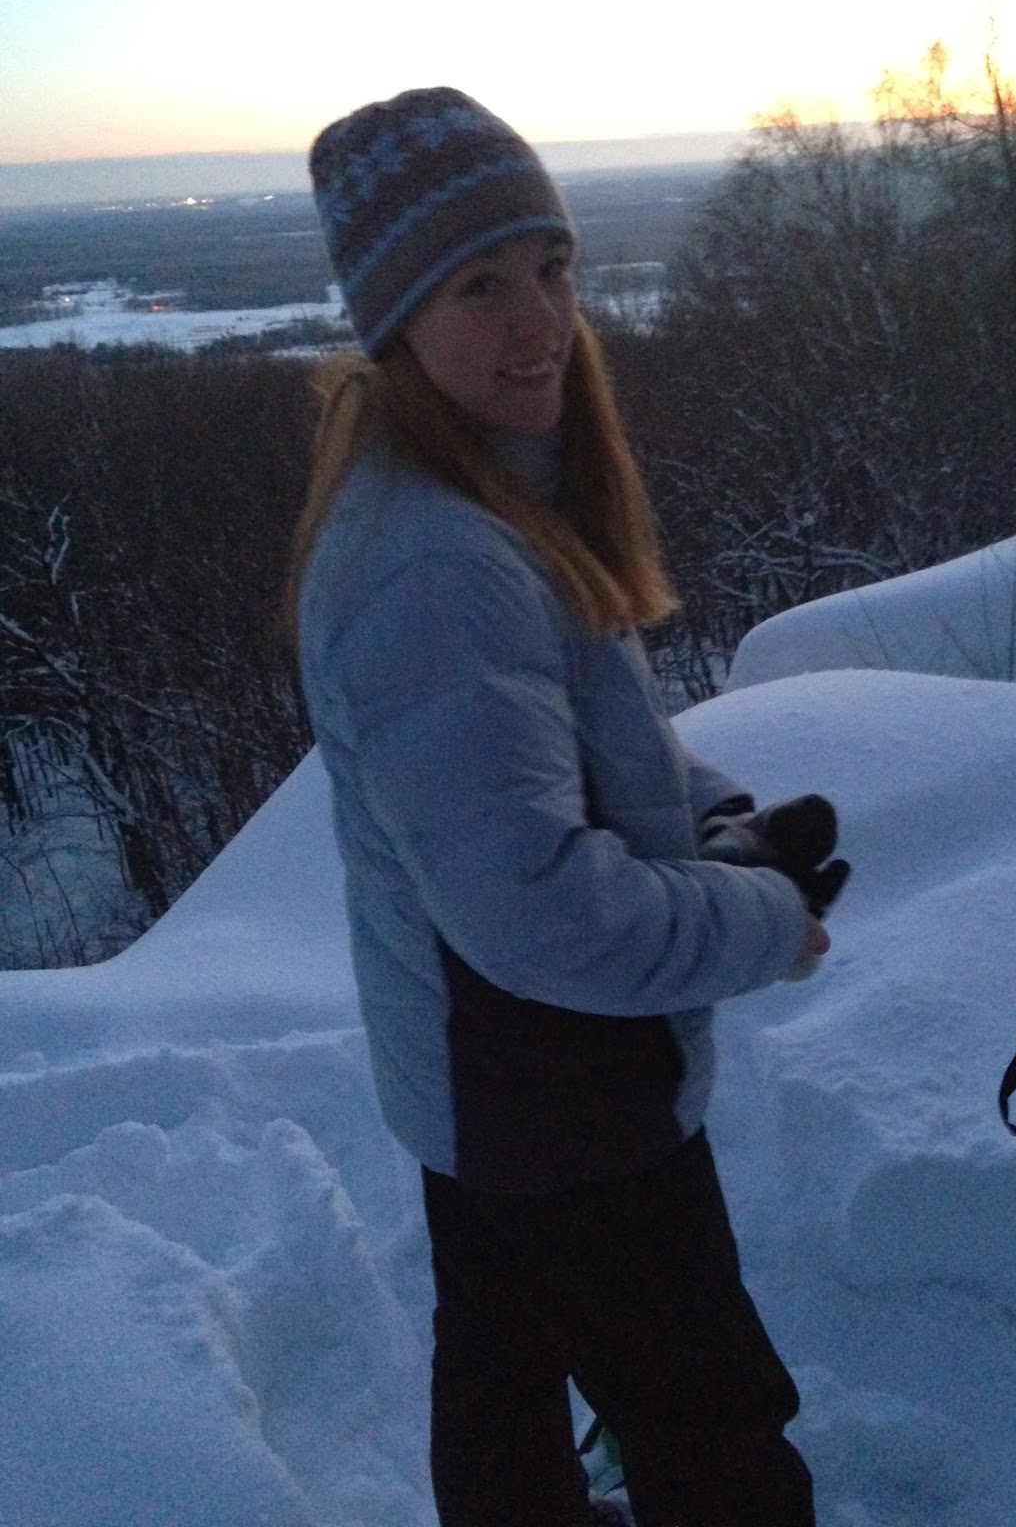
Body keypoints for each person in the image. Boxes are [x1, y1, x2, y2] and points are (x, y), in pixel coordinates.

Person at [293, 87, 836, 1527]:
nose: (541, 322)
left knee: (505, 1390)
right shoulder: (439, 566)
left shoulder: (482, 497)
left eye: (552, 268)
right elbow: (540, 913)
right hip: (558, 1092)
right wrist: (759, 922)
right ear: (398, 318)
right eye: (480, 287)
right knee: (716, 1430)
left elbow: (571, 754)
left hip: (490, 1083)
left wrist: (714, 821)